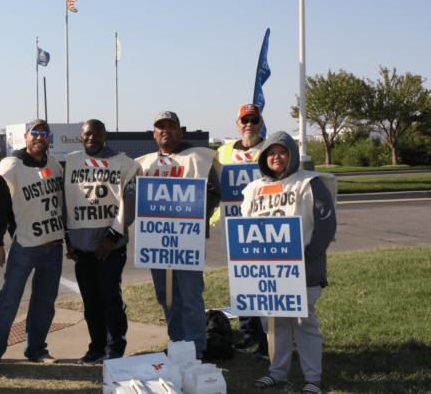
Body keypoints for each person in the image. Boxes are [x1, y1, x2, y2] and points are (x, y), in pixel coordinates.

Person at [242, 132, 336, 394]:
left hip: (304, 270)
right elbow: (245, 230)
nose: (276, 157)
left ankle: (313, 378)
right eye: (271, 153)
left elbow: (326, 224)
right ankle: (277, 372)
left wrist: (307, 257)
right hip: (267, 273)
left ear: (292, 154)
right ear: (263, 157)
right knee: (274, 322)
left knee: (304, 323)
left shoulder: (310, 183)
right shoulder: (253, 189)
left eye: (282, 151)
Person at [0, 119, 66, 375]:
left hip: (53, 245)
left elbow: (63, 205)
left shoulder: (54, 166)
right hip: (25, 245)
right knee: (8, 301)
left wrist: (68, 241)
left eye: (44, 134)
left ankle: (37, 350)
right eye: (34, 133)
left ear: (50, 138)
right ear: (26, 137)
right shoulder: (11, 166)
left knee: (45, 301)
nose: (39, 137)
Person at [134, 111, 221, 359]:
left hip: (187, 239)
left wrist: (187, 215)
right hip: (156, 240)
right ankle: (177, 343)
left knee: (191, 295)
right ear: (154, 133)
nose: (165, 130)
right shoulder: (144, 163)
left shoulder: (198, 158)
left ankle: (196, 348)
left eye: (171, 126)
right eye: (160, 127)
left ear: (180, 131)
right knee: (167, 295)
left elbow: (215, 193)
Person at [63, 119, 141, 364]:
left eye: (98, 134)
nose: (92, 138)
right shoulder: (71, 161)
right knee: (90, 301)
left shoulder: (125, 164)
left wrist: (113, 237)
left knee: (110, 298)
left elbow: (130, 205)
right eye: (88, 134)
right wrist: (68, 239)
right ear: (80, 137)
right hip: (82, 249)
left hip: (110, 248)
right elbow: (63, 202)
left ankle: (115, 346)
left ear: (105, 137)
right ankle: (96, 347)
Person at [210, 104, 269, 358]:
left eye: (254, 120)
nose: (249, 124)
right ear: (237, 124)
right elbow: (212, 184)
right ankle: (249, 334)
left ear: (260, 123)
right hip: (234, 227)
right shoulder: (223, 152)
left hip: (266, 226)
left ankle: (269, 335)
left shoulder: (271, 149)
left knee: (265, 280)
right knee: (242, 280)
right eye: (245, 120)